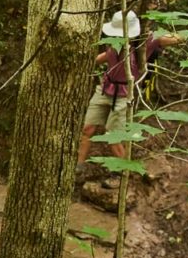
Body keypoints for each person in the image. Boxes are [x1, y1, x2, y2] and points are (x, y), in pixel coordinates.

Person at [77, 9, 180, 177]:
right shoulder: (112, 41)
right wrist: (85, 63)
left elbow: (175, 38)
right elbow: (108, 56)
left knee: (113, 137)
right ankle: (78, 166)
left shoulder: (146, 41)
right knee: (87, 129)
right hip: (105, 89)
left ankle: (126, 172)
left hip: (124, 94)